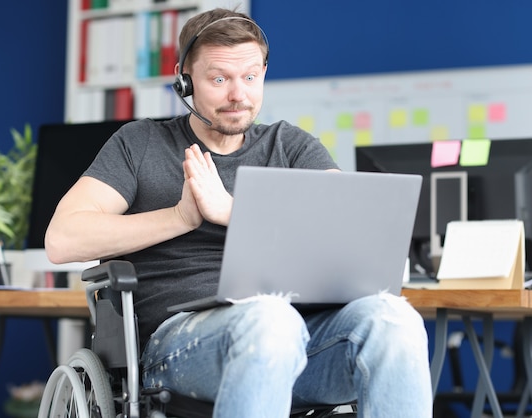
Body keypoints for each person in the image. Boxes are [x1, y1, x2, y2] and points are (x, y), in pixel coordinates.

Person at [45, 7, 432, 417]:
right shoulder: (140, 144)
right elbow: (63, 239)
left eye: (250, 77)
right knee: (269, 319)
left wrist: (232, 211)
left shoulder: (292, 146)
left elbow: (353, 235)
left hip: (301, 339)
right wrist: (179, 217)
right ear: (185, 80)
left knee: (394, 320)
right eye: (218, 79)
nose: (238, 95)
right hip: (180, 345)